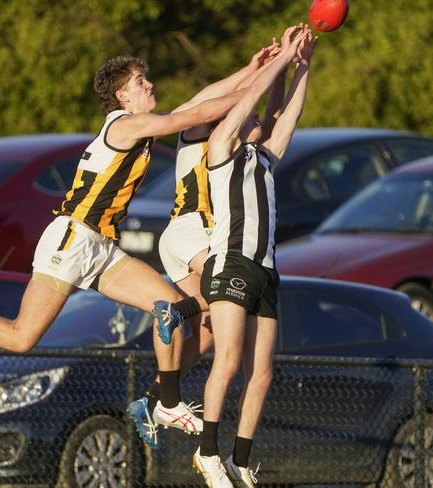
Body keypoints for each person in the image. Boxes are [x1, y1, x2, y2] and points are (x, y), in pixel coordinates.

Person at [0, 55, 246, 449]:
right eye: (141, 81)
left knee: (172, 305)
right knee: (22, 337)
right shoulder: (128, 125)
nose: (149, 86)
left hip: (102, 246)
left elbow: (199, 101)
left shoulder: (140, 125)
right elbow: (196, 112)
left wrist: (259, 66)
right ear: (123, 95)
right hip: (72, 240)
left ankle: (162, 402)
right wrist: (257, 87)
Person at [128, 41, 285, 449]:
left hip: (188, 238)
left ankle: (151, 399)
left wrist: (258, 67)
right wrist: (256, 75)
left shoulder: (232, 145)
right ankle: (176, 310)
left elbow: (271, 117)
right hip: (192, 229)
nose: (245, 115)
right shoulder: (197, 129)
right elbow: (205, 101)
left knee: (211, 335)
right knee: (228, 295)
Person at [192, 25, 316, 488]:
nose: (260, 117)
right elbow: (252, 100)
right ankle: (208, 453)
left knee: (260, 375)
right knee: (227, 361)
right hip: (232, 265)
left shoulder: (263, 156)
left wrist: (303, 62)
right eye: (250, 116)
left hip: (266, 270)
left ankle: (241, 460)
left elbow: (287, 115)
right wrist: (277, 60)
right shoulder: (221, 148)